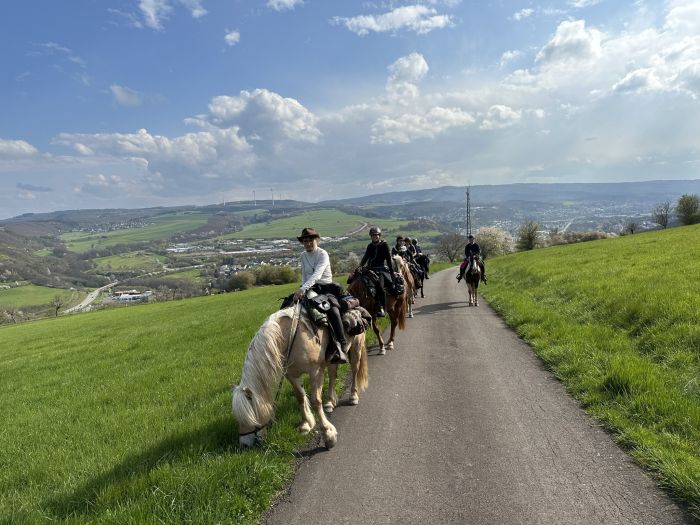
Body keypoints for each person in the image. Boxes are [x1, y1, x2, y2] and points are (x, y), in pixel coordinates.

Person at [292, 227, 348, 364]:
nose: (308, 243)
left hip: (326, 288)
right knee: (291, 306)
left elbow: (317, 275)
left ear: (315, 240)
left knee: (333, 309)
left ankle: (342, 344)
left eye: (310, 240)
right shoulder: (303, 256)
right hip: (310, 289)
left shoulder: (323, 254)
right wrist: (302, 289)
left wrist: (302, 289)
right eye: (305, 241)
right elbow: (304, 275)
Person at [359, 226, 394, 318]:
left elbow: (388, 259)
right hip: (370, 269)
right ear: (371, 236)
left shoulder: (384, 245)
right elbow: (365, 257)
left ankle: (382, 308)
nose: (375, 236)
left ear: (379, 235)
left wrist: (392, 272)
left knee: (380, 286)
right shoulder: (370, 246)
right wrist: (360, 266)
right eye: (373, 235)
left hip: (381, 269)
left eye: (376, 235)